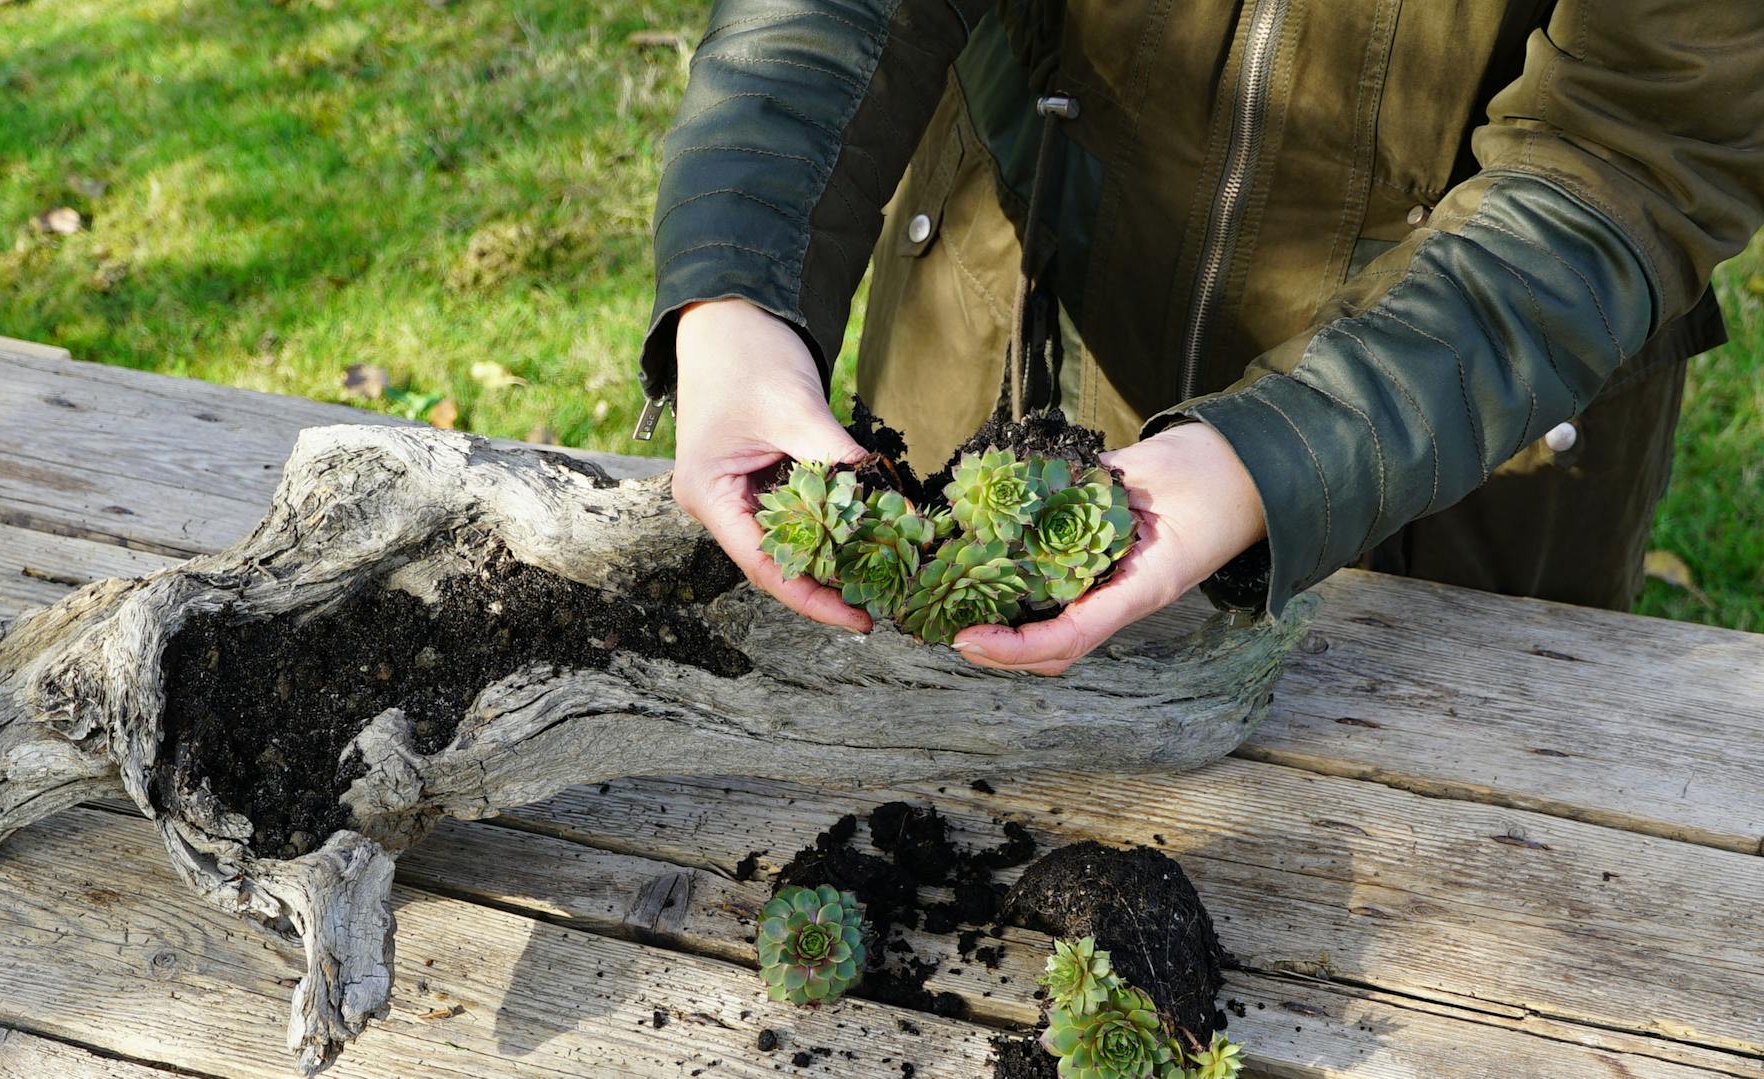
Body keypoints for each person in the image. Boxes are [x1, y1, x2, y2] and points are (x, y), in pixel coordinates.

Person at [634, 0, 1764, 675]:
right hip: (993, 340)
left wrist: (1283, 460)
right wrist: (736, 289)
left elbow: (1633, 147)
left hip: (1450, 460)